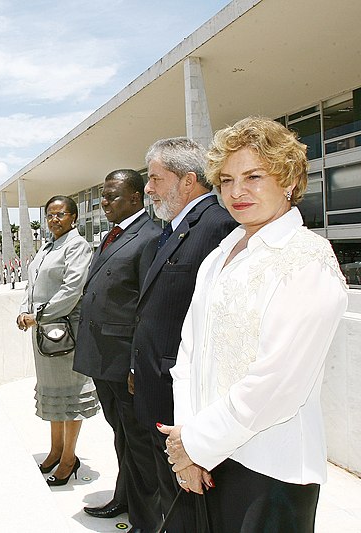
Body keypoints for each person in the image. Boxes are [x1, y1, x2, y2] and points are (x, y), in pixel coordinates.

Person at [159, 117, 348, 532]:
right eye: (226, 180)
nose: (236, 191)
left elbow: (277, 384)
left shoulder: (307, 260)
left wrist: (194, 444)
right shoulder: (220, 254)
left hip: (270, 468)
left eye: (253, 176)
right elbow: (189, 352)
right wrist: (188, 445)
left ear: (289, 179)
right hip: (208, 460)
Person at [131, 137, 238, 531]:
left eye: (156, 178)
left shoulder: (217, 225)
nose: (149, 188)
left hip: (182, 394)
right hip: (157, 385)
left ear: (188, 180)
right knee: (168, 491)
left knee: (188, 502)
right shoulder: (176, 227)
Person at [73, 169, 162, 531]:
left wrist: (135, 365)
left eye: (111, 196)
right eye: (102, 197)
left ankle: (147, 519)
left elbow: (148, 309)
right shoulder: (112, 236)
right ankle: (124, 499)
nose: (104, 203)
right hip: (102, 359)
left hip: (126, 362)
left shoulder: (150, 237)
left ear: (136, 198)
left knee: (140, 444)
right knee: (121, 436)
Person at [16, 195, 99, 487]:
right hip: (43, 332)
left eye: (60, 214)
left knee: (71, 396)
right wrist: (25, 311)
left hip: (65, 333)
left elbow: (72, 289)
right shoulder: (46, 248)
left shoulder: (78, 246)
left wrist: (37, 315)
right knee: (53, 394)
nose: (54, 219)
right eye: (50, 215)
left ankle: (68, 459)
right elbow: (32, 285)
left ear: (73, 217)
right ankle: (54, 451)